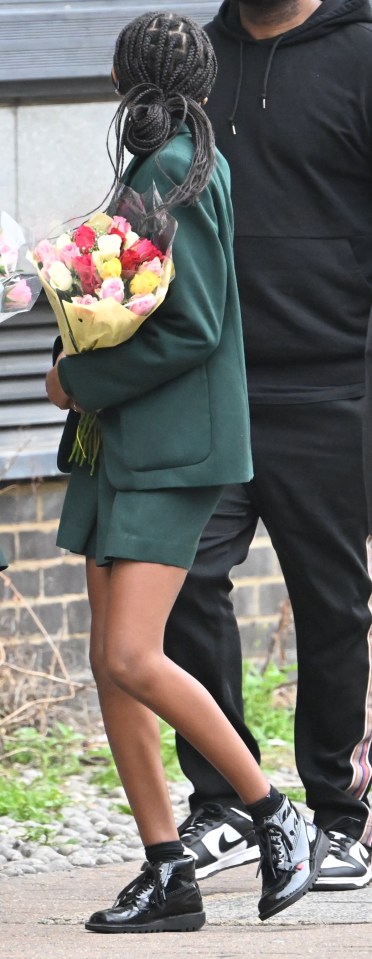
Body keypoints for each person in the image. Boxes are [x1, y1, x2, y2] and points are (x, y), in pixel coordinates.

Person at [45, 10, 329, 934]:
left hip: (171, 448)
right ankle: (168, 869)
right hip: (123, 442)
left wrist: (77, 376)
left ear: (126, 77)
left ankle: (273, 814)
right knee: (106, 664)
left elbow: (197, 325)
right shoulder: (159, 161)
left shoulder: (178, 168)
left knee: (132, 654)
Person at [162, 0, 372, 891]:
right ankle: (228, 804)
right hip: (208, 385)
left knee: (331, 604)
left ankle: (341, 816)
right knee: (182, 578)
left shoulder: (362, 53)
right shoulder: (194, 62)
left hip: (331, 382)